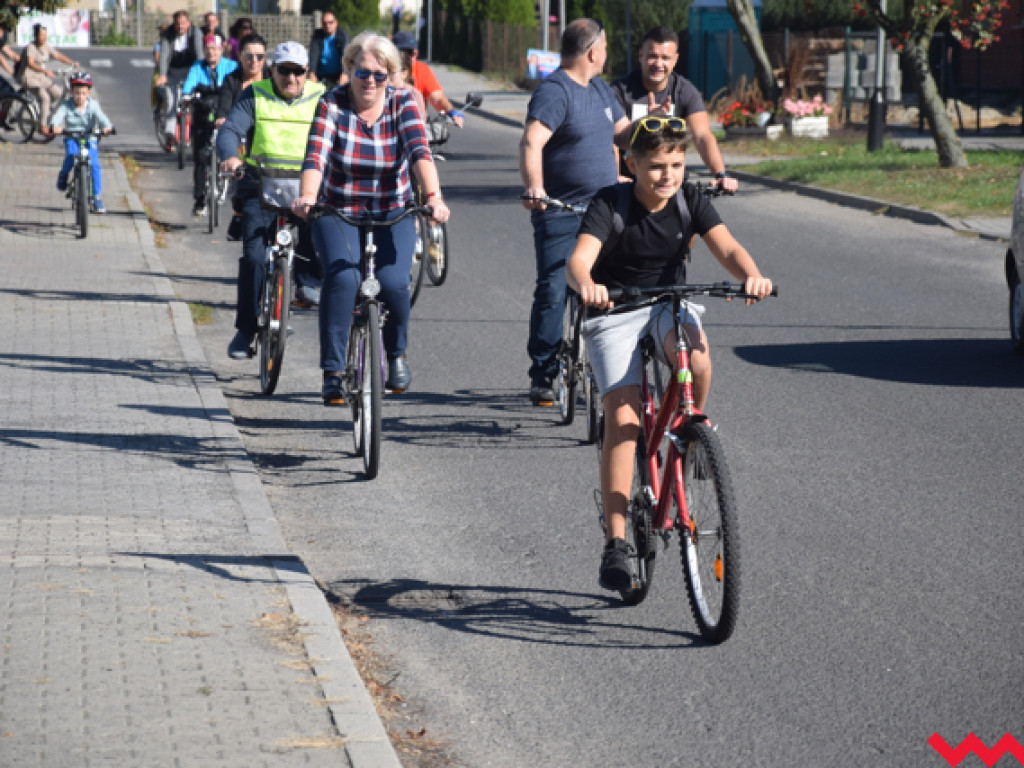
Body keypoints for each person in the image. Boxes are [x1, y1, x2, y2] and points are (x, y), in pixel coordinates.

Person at [565, 116, 772, 590]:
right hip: (614, 309)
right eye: (656, 166)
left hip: (666, 304)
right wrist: (588, 284)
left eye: (676, 164)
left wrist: (751, 275)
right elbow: (579, 257)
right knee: (624, 420)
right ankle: (616, 542)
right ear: (631, 165)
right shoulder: (608, 202)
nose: (668, 175)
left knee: (698, 358)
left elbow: (728, 248)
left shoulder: (689, 200)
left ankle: (689, 430)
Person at [291, 32, 449, 402]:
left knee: (394, 283)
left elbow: (419, 152)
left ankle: (396, 354)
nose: (371, 82)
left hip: (392, 211)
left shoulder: (403, 103)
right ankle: (333, 369)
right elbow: (316, 155)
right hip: (338, 210)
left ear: (392, 75)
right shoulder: (332, 103)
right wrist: (308, 197)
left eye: (380, 75)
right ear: (349, 70)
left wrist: (434, 198)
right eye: (363, 73)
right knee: (344, 278)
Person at [518, 18, 629, 405]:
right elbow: (532, 140)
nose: (607, 54)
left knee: (610, 287)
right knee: (553, 289)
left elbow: (624, 133)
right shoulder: (555, 91)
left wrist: (656, 125)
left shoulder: (600, 89)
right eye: (606, 47)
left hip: (602, 210)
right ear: (592, 51)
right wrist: (536, 187)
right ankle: (543, 373)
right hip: (561, 211)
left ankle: (610, 367)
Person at [217, 42, 326, 359]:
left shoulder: (321, 97)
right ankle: (246, 329)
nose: (291, 78)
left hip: (305, 186)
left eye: (298, 72)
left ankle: (306, 282)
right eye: (284, 71)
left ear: (307, 73)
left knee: (317, 234)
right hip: (259, 185)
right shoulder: (255, 94)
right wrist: (229, 157)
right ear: (272, 70)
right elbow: (231, 130)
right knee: (253, 257)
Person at [612, 26, 737, 192]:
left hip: (670, 184)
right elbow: (613, 139)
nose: (658, 64)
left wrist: (721, 175)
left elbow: (702, 136)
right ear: (641, 55)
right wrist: (614, 177)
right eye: (652, 56)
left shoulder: (685, 91)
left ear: (675, 60)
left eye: (665, 57)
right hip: (629, 183)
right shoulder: (618, 91)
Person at [216, 32, 269, 241]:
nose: (254, 61)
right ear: (240, 57)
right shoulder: (232, 80)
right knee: (240, 163)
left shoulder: (274, 81)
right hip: (240, 137)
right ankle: (239, 211)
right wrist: (222, 118)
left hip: (266, 140)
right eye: (249, 56)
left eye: (259, 57)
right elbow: (224, 107)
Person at [183, 33, 238, 216]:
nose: (211, 52)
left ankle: (228, 183)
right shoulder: (198, 67)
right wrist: (186, 95)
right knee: (200, 156)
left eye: (214, 49)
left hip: (224, 112)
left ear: (221, 49)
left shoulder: (231, 66)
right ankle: (200, 200)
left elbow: (238, 84)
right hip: (203, 113)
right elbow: (189, 85)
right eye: (207, 49)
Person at [50, 72, 114, 214]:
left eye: (83, 93)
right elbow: (57, 117)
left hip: (89, 137)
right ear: (71, 92)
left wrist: (107, 127)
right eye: (77, 93)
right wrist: (54, 126)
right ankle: (63, 174)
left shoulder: (93, 105)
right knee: (71, 155)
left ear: (89, 93)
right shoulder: (66, 105)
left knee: (95, 164)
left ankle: (96, 197)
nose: (80, 97)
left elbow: (102, 118)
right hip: (72, 136)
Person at [392, 31, 464, 126]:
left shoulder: (422, 70)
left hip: (416, 125)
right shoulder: (383, 71)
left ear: (416, 54)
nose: (405, 57)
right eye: (400, 53)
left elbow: (437, 98)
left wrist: (450, 111)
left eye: (409, 53)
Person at [154, 10, 203, 150]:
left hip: (190, 71)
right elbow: (164, 56)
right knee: (171, 100)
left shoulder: (196, 34)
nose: (181, 27)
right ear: (174, 24)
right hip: (172, 72)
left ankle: (194, 131)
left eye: (183, 23)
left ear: (188, 23)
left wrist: (200, 75)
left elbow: (200, 55)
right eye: (178, 24)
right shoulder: (168, 35)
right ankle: (170, 135)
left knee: (194, 99)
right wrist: (162, 75)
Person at [20, 24, 79, 134]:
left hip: (40, 77)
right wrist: (45, 71)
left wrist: (71, 62)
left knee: (58, 93)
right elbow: (30, 63)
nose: (44, 38)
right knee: (45, 97)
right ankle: (42, 126)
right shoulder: (31, 47)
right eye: (41, 35)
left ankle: (43, 110)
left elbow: (57, 55)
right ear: (35, 36)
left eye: (45, 35)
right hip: (28, 77)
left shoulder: (46, 46)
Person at [308, 11, 348, 88]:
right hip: (321, 76)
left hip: (338, 76)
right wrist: (312, 73)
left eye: (330, 22)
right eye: (325, 23)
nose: (328, 25)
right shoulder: (317, 36)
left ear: (336, 23)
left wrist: (345, 73)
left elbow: (346, 55)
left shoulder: (342, 36)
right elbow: (313, 55)